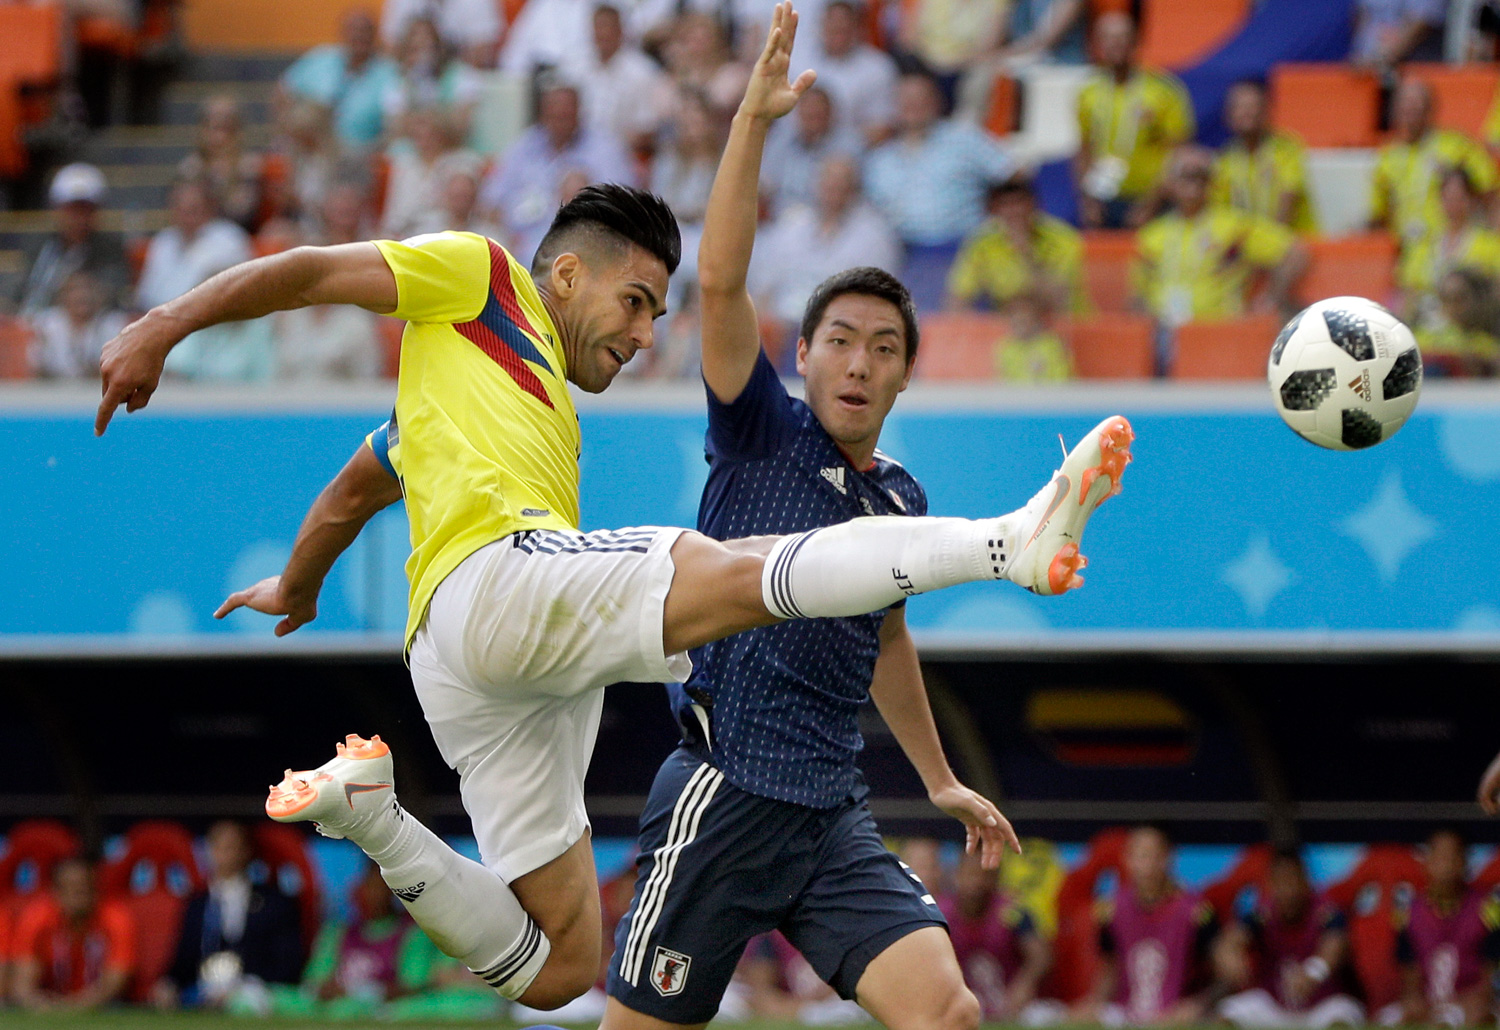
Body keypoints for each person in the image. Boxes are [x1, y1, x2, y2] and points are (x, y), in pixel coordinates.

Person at [97, 8, 1132, 1013]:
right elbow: (312, 272)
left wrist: (299, 581)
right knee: (733, 571)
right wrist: (162, 325)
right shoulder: (483, 278)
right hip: (500, 591)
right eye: (635, 303)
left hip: (468, 670)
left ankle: (372, 816)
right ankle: (1007, 541)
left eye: (654, 315)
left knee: (557, 965)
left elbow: (360, 482)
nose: (643, 335)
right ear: (565, 271)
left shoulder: (476, 396)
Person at [605, 17, 1049, 1030]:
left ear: (905, 373)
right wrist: (751, 125)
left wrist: (940, 781)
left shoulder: (902, 501)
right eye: (840, 340)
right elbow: (721, 281)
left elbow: (885, 639)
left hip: (831, 815)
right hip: (722, 798)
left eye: (883, 348)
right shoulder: (759, 429)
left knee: (949, 1013)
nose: (859, 363)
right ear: (801, 355)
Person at [863, 71, 1015, 308]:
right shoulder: (880, 160)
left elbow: (1013, 175)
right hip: (907, 255)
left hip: (966, 249)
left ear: (936, 102)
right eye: (906, 101)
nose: (913, 107)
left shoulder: (965, 138)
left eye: (921, 99)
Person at [1133, 147, 1307, 348]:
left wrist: (1272, 298)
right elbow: (1138, 296)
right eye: (1186, 175)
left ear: (1212, 183)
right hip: (1165, 335)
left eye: (1201, 176)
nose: (1194, 183)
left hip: (1220, 332)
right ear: (1169, 183)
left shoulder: (1234, 226)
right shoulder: (1151, 234)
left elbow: (1293, 252)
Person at [750, 154, 901, 360]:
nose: (833, 189)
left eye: (841, 183)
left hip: (840, 330)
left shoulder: (874, 235)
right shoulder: (791, 225)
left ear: (854, 188)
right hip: (782, 327)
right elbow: (764, 288)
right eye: (828, 181)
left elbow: (877, 299)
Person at [1072, 825, 1220, 1026]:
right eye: (1140, 856)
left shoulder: (1197, 912)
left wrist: (1198, 1005)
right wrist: (1096, 1002)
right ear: (1127, 859)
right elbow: (1110, 968)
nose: (1147, 865)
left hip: (1179, 1012)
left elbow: (1228, 974)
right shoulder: (1111, 911)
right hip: (1125, 1011)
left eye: (1154, 856)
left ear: (1168, 858)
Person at [479, 78, 635, 264]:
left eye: (566, 114)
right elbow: (491, 201)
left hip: (581, 246)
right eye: (554, 114)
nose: (560, 120)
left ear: (579, 112)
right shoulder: (525, 145)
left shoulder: (605, 149)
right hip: (520, 244)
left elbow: (622, 207)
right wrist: (506, 234)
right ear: (542, 114)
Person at [156, 820, 305, 1009]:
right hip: (202, 993)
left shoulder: (275, 903)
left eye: (232, 847)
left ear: (247, 851)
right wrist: (168, 983)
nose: (224, 854)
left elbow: (288, 963)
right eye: (218, 847)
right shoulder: (196, 904)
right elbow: (182, 959)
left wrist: (244, 985)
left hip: (256, 993)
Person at [1215, 848, 1364, 1029]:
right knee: (1229, 1012)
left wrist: (1314, 972)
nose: (1289, 891)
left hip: (1320, 1007)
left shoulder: (1325, 912)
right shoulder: (1263, 915)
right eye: (1282, 882)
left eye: (1293, 881)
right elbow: (1233, 938)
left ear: (1305, 882)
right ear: (1271, 885)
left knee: (1345, 1013)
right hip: (1274, 1008)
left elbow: (1335, 945)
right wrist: (1229, 956)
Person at [1075, 12, 1194, 230]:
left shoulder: (1163, 90)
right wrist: (1088, 201)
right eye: (1108, 38)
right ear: (1097, 44)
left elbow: (1179, 153)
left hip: (1152, 200)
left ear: (1136, 42)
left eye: (1122, 37)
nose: (1116, 44)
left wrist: (1151, 204)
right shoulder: (1088, 93)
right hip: (1103, 199)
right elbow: (1084, 149)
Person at [1383, 830, 1500, 1027]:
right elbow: (1409, 974)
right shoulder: (1408, 912)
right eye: (1439, 857)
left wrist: (1479, 999)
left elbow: (1492, 972)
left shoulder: (1489, 908)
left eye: (1453, 857)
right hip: (1429, 1003)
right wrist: (1417, 1001)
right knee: (1393, 1018)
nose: (1446, 865)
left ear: (1465, 862)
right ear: (1427, 862)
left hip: (1474, 1002)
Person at [1369, 79, 1497, 249]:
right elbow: (1378, 214)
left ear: (1430, 110)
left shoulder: (1456, 146)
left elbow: (1490, 192)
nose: (1410, 115)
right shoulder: (1387, 158)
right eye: (1405, 108)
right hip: (1407, 250)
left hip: (1452, 248)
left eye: (1416, 107)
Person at [947, 175, 1087, 317]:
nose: (1014, 212)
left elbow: (1058, 299)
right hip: (1011, 324)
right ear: (993, 210)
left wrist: (1026, 254)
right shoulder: (982, 243)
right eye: (1005, 205)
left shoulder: (1063, 239)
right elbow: (958, 298)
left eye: (1019, 203)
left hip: (1066, 322)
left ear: (1033, 204)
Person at [940, 850, 1055, 1022]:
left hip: (1009, 1004)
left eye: (984, 876)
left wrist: (1023, 986)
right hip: (960, 1003)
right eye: (970, 874)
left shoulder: (1011, 912)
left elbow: (1041, 956)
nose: (977, 882)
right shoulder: (940, 914)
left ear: (996, 879)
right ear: (957, 876)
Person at [11, 858, 135, 1013]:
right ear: (55, 891)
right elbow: (22, 985)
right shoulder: (37, 917)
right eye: (71, 887)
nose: (79, 893)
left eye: (85, 886)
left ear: (96, 889)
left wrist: (72, 1007)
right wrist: (42, 1005)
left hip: (104, 1007)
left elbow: (116, 980)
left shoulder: (116, 917)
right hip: (49, 1001)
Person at [14, 163, 130, 316]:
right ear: (57, 210)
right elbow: (23, 292)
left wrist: (79, 292)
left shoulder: (110, 249)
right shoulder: (43, 246)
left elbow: (115, 291)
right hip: (41, 321)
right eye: (72, 210)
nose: (79, 218)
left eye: (85, 210)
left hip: (94, 324)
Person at [1397, 166, 1500, 335]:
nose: (1453, 205)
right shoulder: (1423, 245)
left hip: (1473, 334)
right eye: (1448, 198)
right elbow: (1409, 294)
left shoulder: (1490, 245)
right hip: (1426, 332)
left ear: (1471, 200)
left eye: (1459, 198)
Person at [279, 9, 400, 151]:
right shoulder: (320, 58)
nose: (359, 35)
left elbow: (395, 119)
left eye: (364, 30)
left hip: (359, 149)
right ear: (342, 32)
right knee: (309, 112)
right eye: (353, 30)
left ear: (374, 35)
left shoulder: (388, 71)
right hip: (312, 146)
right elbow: (283, 90)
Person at [1211, 80, 1316, 234]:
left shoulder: (1285, 149)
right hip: (1246, 244)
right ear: (1227, 116)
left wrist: (1269, 241)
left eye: (1254, 106)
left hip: (1292, 240)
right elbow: (1219, 211)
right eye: (1240, 107)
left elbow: (1290, 197)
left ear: (1267, 111)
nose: (1248, 112)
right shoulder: (1225, 159)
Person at [564, 4, 671, 155]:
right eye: (598, 28)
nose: (603, 33)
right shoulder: (573, 67)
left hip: (623, 153)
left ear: (621, 31)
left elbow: (647, 128)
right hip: (574, 150)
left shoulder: (642, 72)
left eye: (608, 28)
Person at [761, 85, 861, 214]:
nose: (813, 116)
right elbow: (765, 183)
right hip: (780, 217)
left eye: (818, 113)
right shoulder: (781, 141)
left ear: (830, 113)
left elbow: (850, 193)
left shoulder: (848, 146)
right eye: (808, 113)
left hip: (828, 217)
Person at [811, 0, 898, 145]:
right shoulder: (801, 62)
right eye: (833, 28)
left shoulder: (878, 68)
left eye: (843, 29)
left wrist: (844, 148)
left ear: (858, 28)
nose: (838, 35)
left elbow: (883, 127)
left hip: (859, 152)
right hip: (802, 150)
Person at [29, 270, 130, 379]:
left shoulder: (111, 324)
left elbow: (117, 369)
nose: (82, 294)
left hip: (97, 387)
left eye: (88, 289)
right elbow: (37, 368)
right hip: (54, 387)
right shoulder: (47, 324)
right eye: (74, 290)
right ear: (63, 295)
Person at [1351, 0, 1448, 67]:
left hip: (1415, 66)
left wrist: (1379, 57)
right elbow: (1363, 17)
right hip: (1366, 66)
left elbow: (1422, 22)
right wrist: (1361, 53)